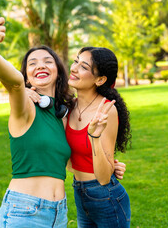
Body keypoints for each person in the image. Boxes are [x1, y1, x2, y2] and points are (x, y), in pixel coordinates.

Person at [0, 10, 126, 228]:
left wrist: (108, 165)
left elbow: (60, 161)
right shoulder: (23, 106)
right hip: (24, 211)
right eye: (32, 63)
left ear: (58, 70)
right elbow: (15, 84)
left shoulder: (62, 115)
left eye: (48, 61)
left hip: (58, 213)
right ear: (27, 75)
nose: (40, 65)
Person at [66, 47, 131, 227]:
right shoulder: (67, 107)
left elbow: (103, 178)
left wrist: (94, 137)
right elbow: (68, 162)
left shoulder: (106, 111)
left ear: (100, 79)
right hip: (79, 193)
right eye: (76, 61)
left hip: (106, 197)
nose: (74, 68)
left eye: (84, 66)